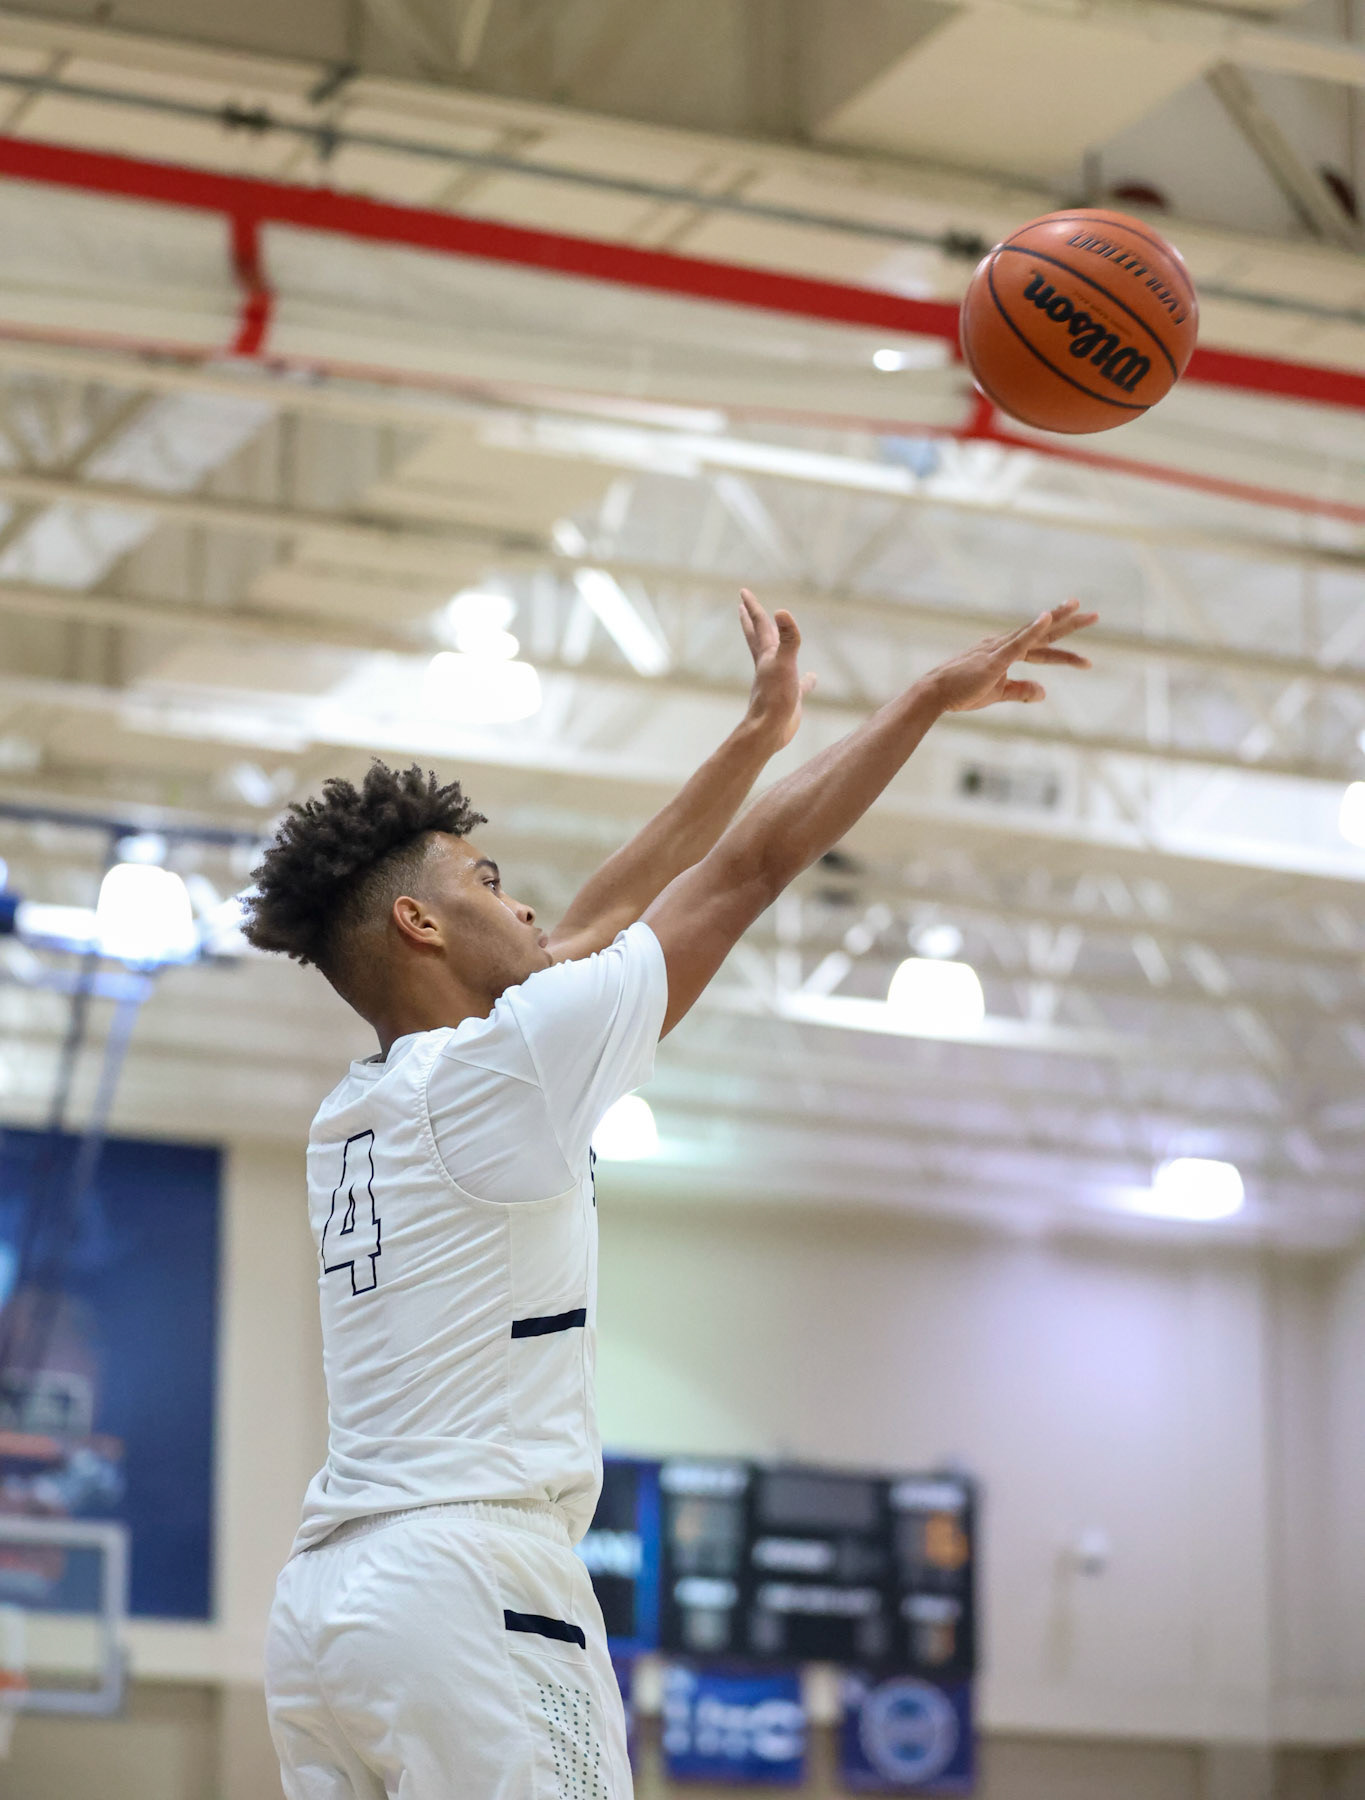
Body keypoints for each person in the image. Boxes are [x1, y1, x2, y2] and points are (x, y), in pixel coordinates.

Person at [247, 590, 1095, 1800]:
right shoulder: (507, 1067)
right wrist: (917, 700)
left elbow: (593, 919)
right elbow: (748, 869)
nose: (528, 903)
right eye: (491, 879)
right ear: (421, 919)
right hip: (475, 1579)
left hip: (326, 1611)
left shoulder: (358, 1108)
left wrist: (755, 736)